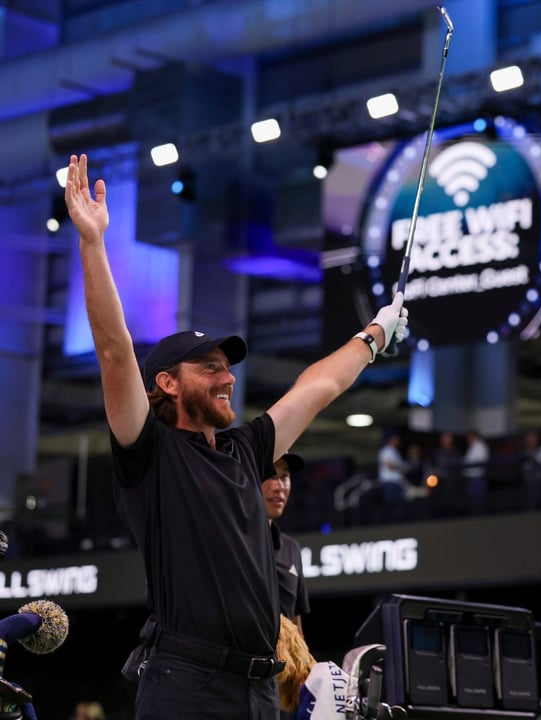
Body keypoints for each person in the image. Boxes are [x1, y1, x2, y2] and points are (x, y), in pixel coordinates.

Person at [65, 153, 408, 720]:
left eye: (228, 366)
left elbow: (317, 387)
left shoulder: (247, 449)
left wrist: (376, 332)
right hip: (187, 684)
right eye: (209, 367)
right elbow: (112, 349)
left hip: (259, 690)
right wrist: (93, 244)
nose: (227, 377)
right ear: (168, 383)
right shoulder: (149, 451)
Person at [263, 453, 311, 633]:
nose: (279, 487)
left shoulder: (291, 549)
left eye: (284, 477)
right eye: (269, 476)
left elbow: (296, 628)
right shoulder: (229, 542)